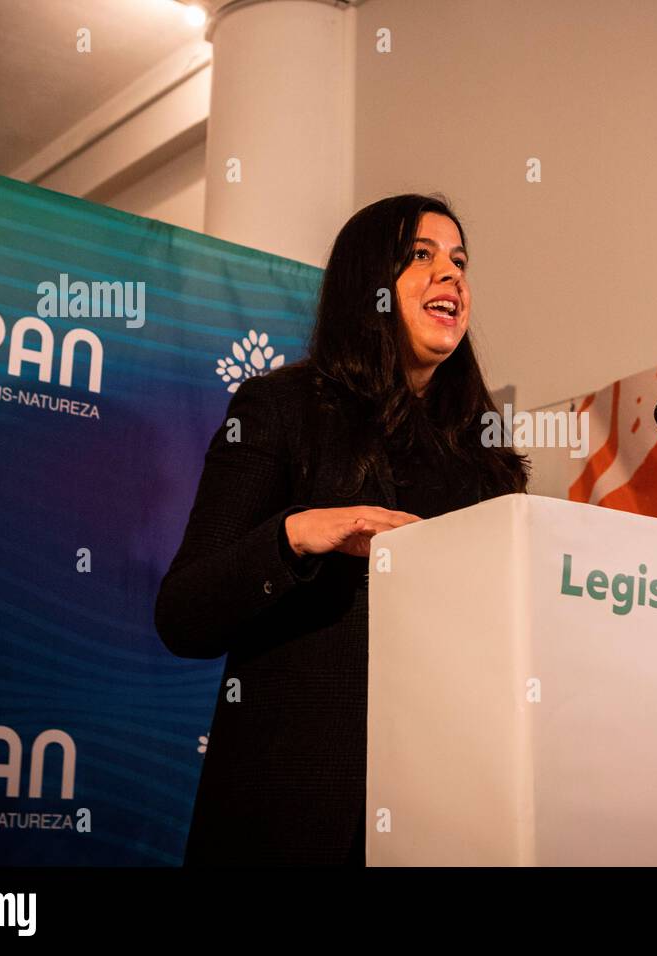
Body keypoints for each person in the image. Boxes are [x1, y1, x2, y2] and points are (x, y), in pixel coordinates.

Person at [154, 194, 529, 865]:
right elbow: (183, 616)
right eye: (421, 256)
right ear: (369, 284)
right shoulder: (279, 408)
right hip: (292, 818)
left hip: (447, 815)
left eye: (459, 262)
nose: (452, 277)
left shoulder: (489, 462)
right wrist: (297, 533)